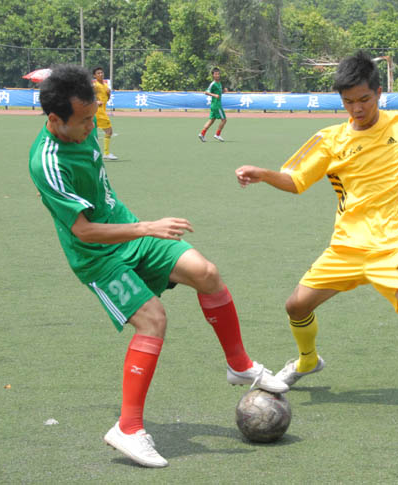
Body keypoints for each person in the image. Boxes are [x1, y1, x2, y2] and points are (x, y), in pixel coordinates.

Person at [29, 65, 288, 468]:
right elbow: (83, 230)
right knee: (153, 320)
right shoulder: (46, 162)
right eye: (83, 121)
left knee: (206, 274)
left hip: (130, 231)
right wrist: (147, 227)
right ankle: (128, 428)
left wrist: (140, 229)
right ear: (54, 119)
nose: (91, 127)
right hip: (97, 256)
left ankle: (239, 365)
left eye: (93, 116)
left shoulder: (83, 125)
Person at [235, 51, 398, 440]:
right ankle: (307, 361)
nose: (357, 109)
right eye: (348, 102)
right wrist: (263, 174)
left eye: (364, 99)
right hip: (346, 248)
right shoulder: (329, 140)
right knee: (296, 306)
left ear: (378, 93)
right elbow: (295, 181)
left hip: (395, 246)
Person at [92, 67, 118, 160]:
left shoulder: (105, 85)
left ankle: (94, 153)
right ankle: (105, 153)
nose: (101, 74)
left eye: (102, 73)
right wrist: (96, 101)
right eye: (98, 73)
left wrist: (109, 94)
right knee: (109, 131)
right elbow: (89, 96)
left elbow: (107, 99)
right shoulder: (95, 86)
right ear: (94, 76)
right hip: (98, 111)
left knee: (92, 132)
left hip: (100, 111)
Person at [198, 67, 227, 142]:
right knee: (224, 120)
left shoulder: (219, 83)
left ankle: (202, 134)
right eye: (216, 74)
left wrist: (223, 91)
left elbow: (218, 93)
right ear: (213, 75)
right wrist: (214, 95)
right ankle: (217, 134)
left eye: (218, 74)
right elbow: (206, 92)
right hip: (217, 105)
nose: (217, 75)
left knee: (211, 120)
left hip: (214, 105)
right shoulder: (213, 84)